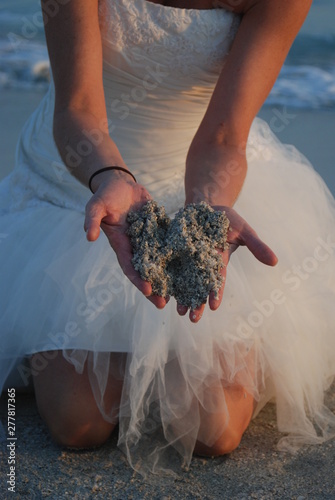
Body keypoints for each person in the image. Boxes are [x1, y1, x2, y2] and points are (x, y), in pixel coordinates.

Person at [1, 0, 335, 475]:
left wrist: (204, 212)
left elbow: (224, 137)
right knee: (79, 422)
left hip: (210, 174)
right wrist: (110, 177)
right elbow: (78, 112)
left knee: (213, 427)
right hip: (84, 175)